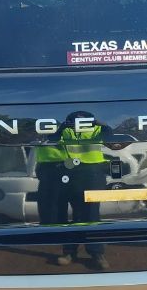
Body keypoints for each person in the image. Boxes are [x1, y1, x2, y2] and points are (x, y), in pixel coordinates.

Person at [34, 111, 110, 270]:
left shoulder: (95, 129)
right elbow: (49, 140)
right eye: (76, 120)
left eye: (84, 120)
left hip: (88, 174)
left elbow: (110, 136)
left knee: (90, 215)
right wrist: (62, 128)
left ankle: (96, 253)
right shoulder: (56, 128)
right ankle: (69, 252)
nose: (79, 123)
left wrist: (100, 124)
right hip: (57, 173)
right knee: (58, 216)